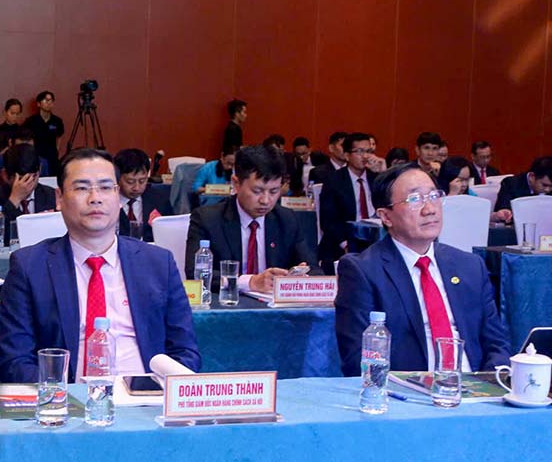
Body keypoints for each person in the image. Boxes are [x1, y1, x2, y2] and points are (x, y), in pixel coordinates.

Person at [0, 148, 200, 383]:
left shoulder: (158, 263)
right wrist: (65, 395)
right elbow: (15, 362)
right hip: (67, 398)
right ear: (60, 198)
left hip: (145, 397)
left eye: (105, 187)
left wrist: (150, 392)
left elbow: (185, 353)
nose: (95, 198)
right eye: (82, 188)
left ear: (117, 195)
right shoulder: (30, 267)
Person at [335, 164, 510, 376]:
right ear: (386, 216)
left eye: (434, 196)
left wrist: (490, 383)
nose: (430, 209)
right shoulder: (364, 271)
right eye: (415, 199)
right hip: (407, 391)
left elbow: (496, 344)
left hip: (474, 387)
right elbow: (358, 359)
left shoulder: (470, 266)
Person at [185, 145, 317, 290]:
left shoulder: (287, 219)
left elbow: (313, 269)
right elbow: (195, 274)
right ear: (236, 183)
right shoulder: (207, 219)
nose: (265, 200)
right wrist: (250, 282)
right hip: (229, 302)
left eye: (274, 191)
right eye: (257, 191)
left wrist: (302, 277)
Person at [318, 133, 378, 274]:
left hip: (374, 240)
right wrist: (346, 244)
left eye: (368, 151)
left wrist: (383, 171)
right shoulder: (334, 180)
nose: (365, 156)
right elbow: (328, 221)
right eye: (359, 151)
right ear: (347, 155)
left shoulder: (376, 178)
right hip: (342, 241)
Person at [0, 144, 57, 245]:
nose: (27, 185)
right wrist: (14, 200)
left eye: (33, 177)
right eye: (21, 179)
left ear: (40, 169)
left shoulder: (51, 195)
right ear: (5, 175)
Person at [114, 148, 173, 242]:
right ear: (117, 178)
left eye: (142, 181)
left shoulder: (160, 199)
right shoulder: (107, 200)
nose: (136, 187)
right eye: (130, 182)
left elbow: (170, 232)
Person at [24, 90, 64, 176]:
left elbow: (59, 136)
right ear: (39, 104)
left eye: (51, 100)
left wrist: (57, 150)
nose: (49, 103)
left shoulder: (57, 121)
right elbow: (27, 139)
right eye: (46, 100)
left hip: (52, 157)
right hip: (37, 156)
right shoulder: (31, 121)